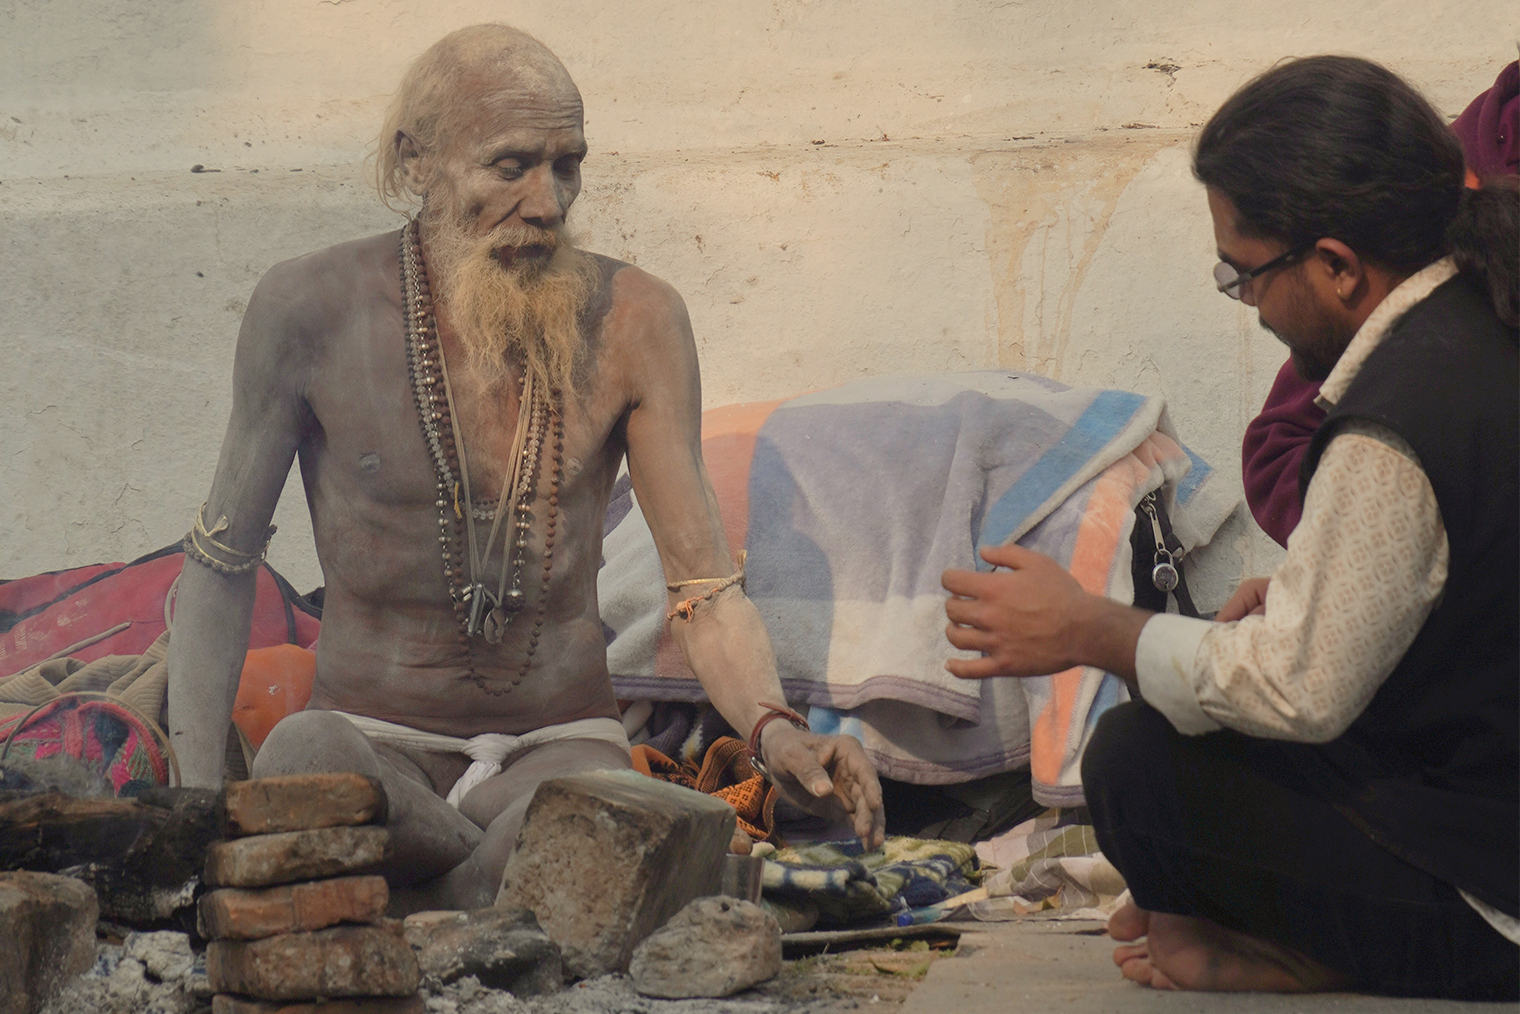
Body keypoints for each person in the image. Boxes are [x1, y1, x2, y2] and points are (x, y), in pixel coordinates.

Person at [164, 24, 884, 912]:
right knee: (301, 759)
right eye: (511, 166)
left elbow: (703, 588)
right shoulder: (307, 308)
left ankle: (431, 890)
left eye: (568, 165)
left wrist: (777, 732)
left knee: (620, 810)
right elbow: (221, 563)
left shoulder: (638, 318)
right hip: (374, 750)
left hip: (560, 752)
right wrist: (195, 811)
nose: (548, 203)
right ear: (414, 161)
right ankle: (502, 884)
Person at [941, 55, 1517, 999]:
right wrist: (1299, 600)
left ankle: (1311, 954)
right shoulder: (1479, 322)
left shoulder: (1401, 413)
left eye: (1242, 276)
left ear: (1335, 266)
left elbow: (1302, 692)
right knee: (1200, 721)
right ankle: (1241, 927)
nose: (1249, 310)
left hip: (1492, 898)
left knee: (1139, 764)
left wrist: (1098, 631)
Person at [1240, 58, 1518, 547]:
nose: (1247, 298)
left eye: (1245, 274)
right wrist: (1340, 562)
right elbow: (1282, 445)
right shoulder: (1451, 196)